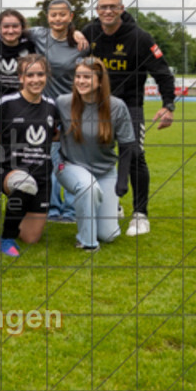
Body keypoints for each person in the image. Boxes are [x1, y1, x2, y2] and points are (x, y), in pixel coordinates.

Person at [80, 0, 176, 236]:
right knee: (97, 155)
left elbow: (163, 73)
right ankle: (113, 205)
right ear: (97, 10)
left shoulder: (140, 38)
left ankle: (140, 215)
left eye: (113, 7)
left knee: (134, 155)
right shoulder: (89, 33)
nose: (108, 11)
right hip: (96, 106)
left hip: (130, 106)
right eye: (103, 7)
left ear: (121, 9)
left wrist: (168, 105)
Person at [55, 58, 136, 251]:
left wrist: (122, 180)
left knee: (108, 235)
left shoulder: (117, 106)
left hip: (105, 171)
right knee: (87, 186)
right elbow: (49, 132)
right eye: (78, 76)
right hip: (71, 166)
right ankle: (87, 242)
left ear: (100, 81)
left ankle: (100, 209)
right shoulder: (63, 103)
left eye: (87, 77)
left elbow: (127, 145)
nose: (81, 81)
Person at [0, 54, 60, 257]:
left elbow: (55, 135)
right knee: (24, 183)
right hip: (12, 172)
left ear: (47, 76)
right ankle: (6, 238)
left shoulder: (51, 106)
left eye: (40, 74)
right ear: (21, 78)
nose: (35, 79)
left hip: (42, 176)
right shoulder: (6, 103)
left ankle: (20, 211)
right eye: (30, 75)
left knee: (30, 238)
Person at [28, 0, 89, 223]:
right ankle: (52, 208)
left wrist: (78, 33)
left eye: (62, 14)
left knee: (74, 160)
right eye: (53, 14)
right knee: (51, 160)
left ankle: (71, 209)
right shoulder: (38, 35)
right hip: (48, 110)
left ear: (70, 16)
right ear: (47, 17)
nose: (57, 18)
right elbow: (7, 29)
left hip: (74, 109)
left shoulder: (81, 45)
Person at [0, 9, 37, 221]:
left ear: (22, 27)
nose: (10, 30)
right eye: (6, 26)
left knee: (23, 152)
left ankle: (23, 199)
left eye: (15, 26)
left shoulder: (30, 45)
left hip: (22, 105)